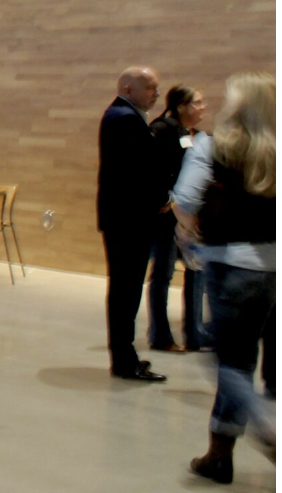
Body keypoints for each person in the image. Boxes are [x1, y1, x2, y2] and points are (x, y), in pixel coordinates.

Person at [172, 73, 276, 483]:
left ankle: (257, 432)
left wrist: (189, 231)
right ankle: (218, 456)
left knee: (232, 363)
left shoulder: (211, 147)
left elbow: (183, 200)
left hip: (232, 263)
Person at [98, 65, 169, 382]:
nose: (156, 93)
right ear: (128, 89)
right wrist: (161, 199)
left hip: (125, 218)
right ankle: (124, 360)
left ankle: (125, 357)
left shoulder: (123, 116)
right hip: (128, 220)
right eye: (151, 87)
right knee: (126, 290)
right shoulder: (124, 119)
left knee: (125, 289)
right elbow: (137, 172)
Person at [148, 84, 211, 353]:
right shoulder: (162, 129)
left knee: (196, 272)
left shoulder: (193, 134)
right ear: (181, 106)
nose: (202, 107)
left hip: (189, 219)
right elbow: (151, 169)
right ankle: (160, 336)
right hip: (165, 218)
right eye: (197, 102)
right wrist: (165, 200)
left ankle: (195, 334)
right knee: (162, 274)